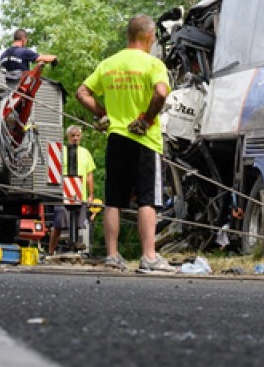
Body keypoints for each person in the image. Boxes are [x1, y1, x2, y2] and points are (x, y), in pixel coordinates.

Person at [75, 14, 172, 273]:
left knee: (114, 200)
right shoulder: (153, 64)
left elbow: (82, 92)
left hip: (116, 137)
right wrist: (146, 119)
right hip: (144, 140)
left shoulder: (109, 64)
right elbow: (161, 93)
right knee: (147, 200)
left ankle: (112, 256)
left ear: (129, 36)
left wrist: (103, 114)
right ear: (149, 36)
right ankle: (149, 257)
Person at [48, 124, 97, 255]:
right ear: (68, 137)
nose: (75, 138)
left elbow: (89, 175)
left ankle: (75, 250)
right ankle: (50, 251)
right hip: (63, 195)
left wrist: (91, 195)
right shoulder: (61, 152)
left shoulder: (85, 153)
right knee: (58, 224)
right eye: (72, 136)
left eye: (77, 136)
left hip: (80, 195)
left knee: (78, 225)